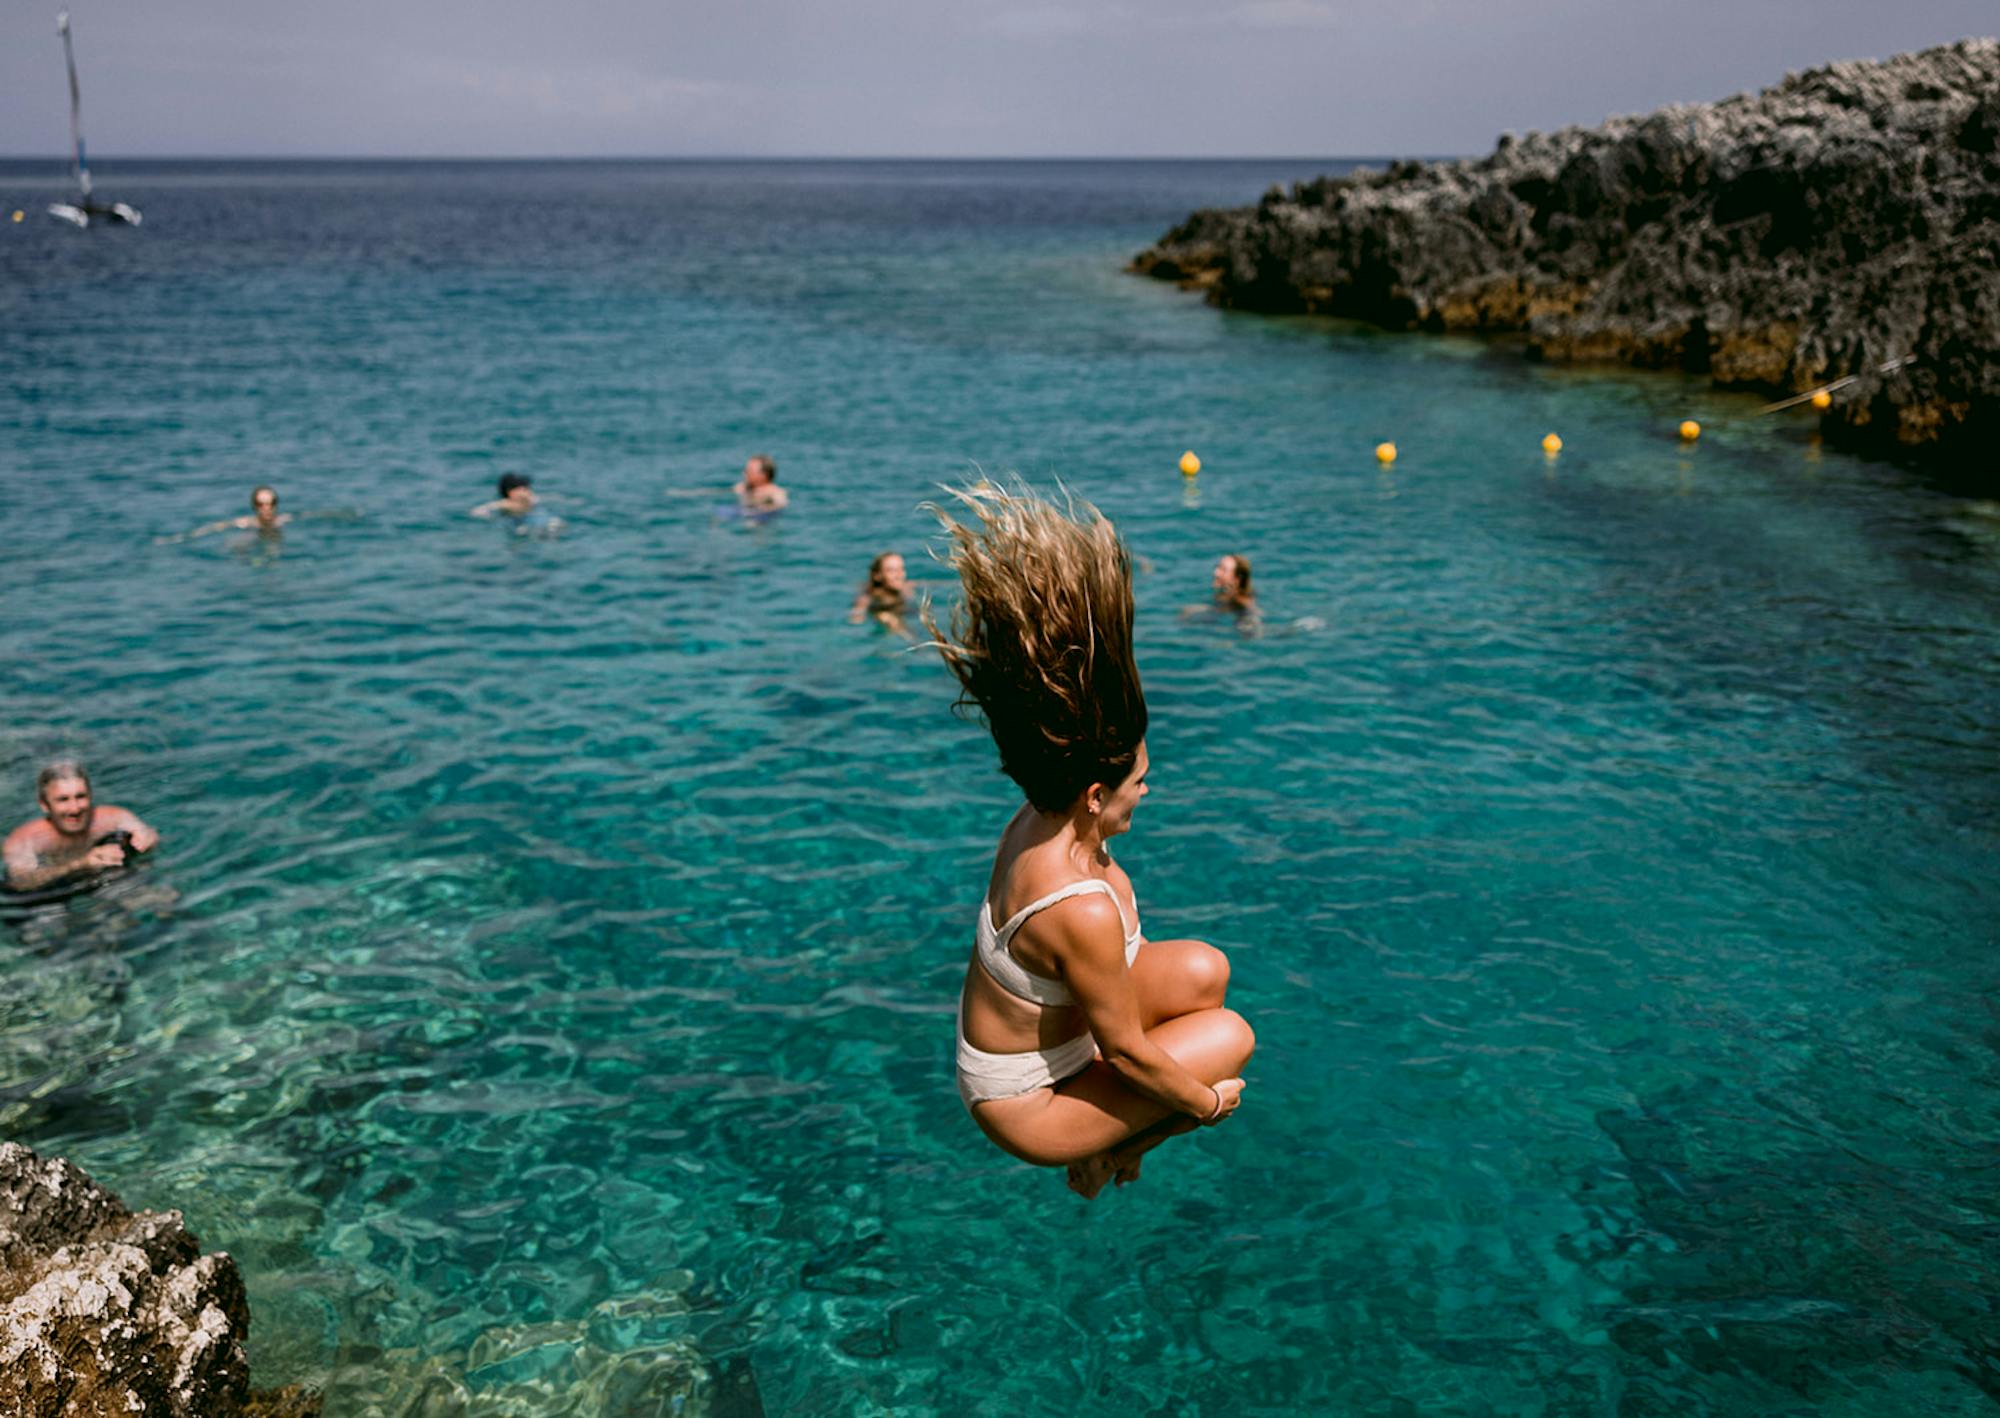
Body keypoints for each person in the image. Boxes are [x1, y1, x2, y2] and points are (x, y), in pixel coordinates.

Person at [928, 483, 1253, 1198]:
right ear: (1097, 795)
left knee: (1205, 970)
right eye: (1140, 781)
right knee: (1230, 1041)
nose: (1148, 790)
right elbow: (1129, 1055)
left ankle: (1111, 1136)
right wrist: (1205, 1108)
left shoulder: (1045, 812)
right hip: (1027, 1104)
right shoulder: (1078, 907)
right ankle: (1108, 1153)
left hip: (1062, 1035)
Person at [3, 761, 158, 894]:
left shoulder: (113, 817)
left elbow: (149, 834)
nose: (75, 809)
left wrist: (147, 837)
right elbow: (21, 883)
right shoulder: (24, 839)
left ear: (90, 796)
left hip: (106, 881)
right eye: (63, 800)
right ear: (44, 805)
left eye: (80, 797)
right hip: (54, 893)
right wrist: (81, 864)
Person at [848, 551, 915, 637]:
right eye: (892, 571)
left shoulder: (906, 586)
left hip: (902, 611)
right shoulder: (868, 595)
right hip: (882, 612)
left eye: (901, 569)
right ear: (877, 576)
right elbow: (856, 618)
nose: (899, 575)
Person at [186, 485, 290, 539]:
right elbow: (217, 526)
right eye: (260, 504)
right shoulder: (246, 523)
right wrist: (188, 536)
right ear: (254, 506)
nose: (266, 508)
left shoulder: (283, 519)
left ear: (276, 505)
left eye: (271, 503)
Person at [471, 473, 563, 533]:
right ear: (510, 492)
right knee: (520, 530)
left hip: (531, 515)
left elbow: (550, 497)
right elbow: (484, 508)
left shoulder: (532, 499)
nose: (527, 491)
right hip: (513, 519)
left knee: (555, 523)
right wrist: (484, 513)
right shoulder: (505, 503)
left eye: (527, 487)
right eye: (523, 488)